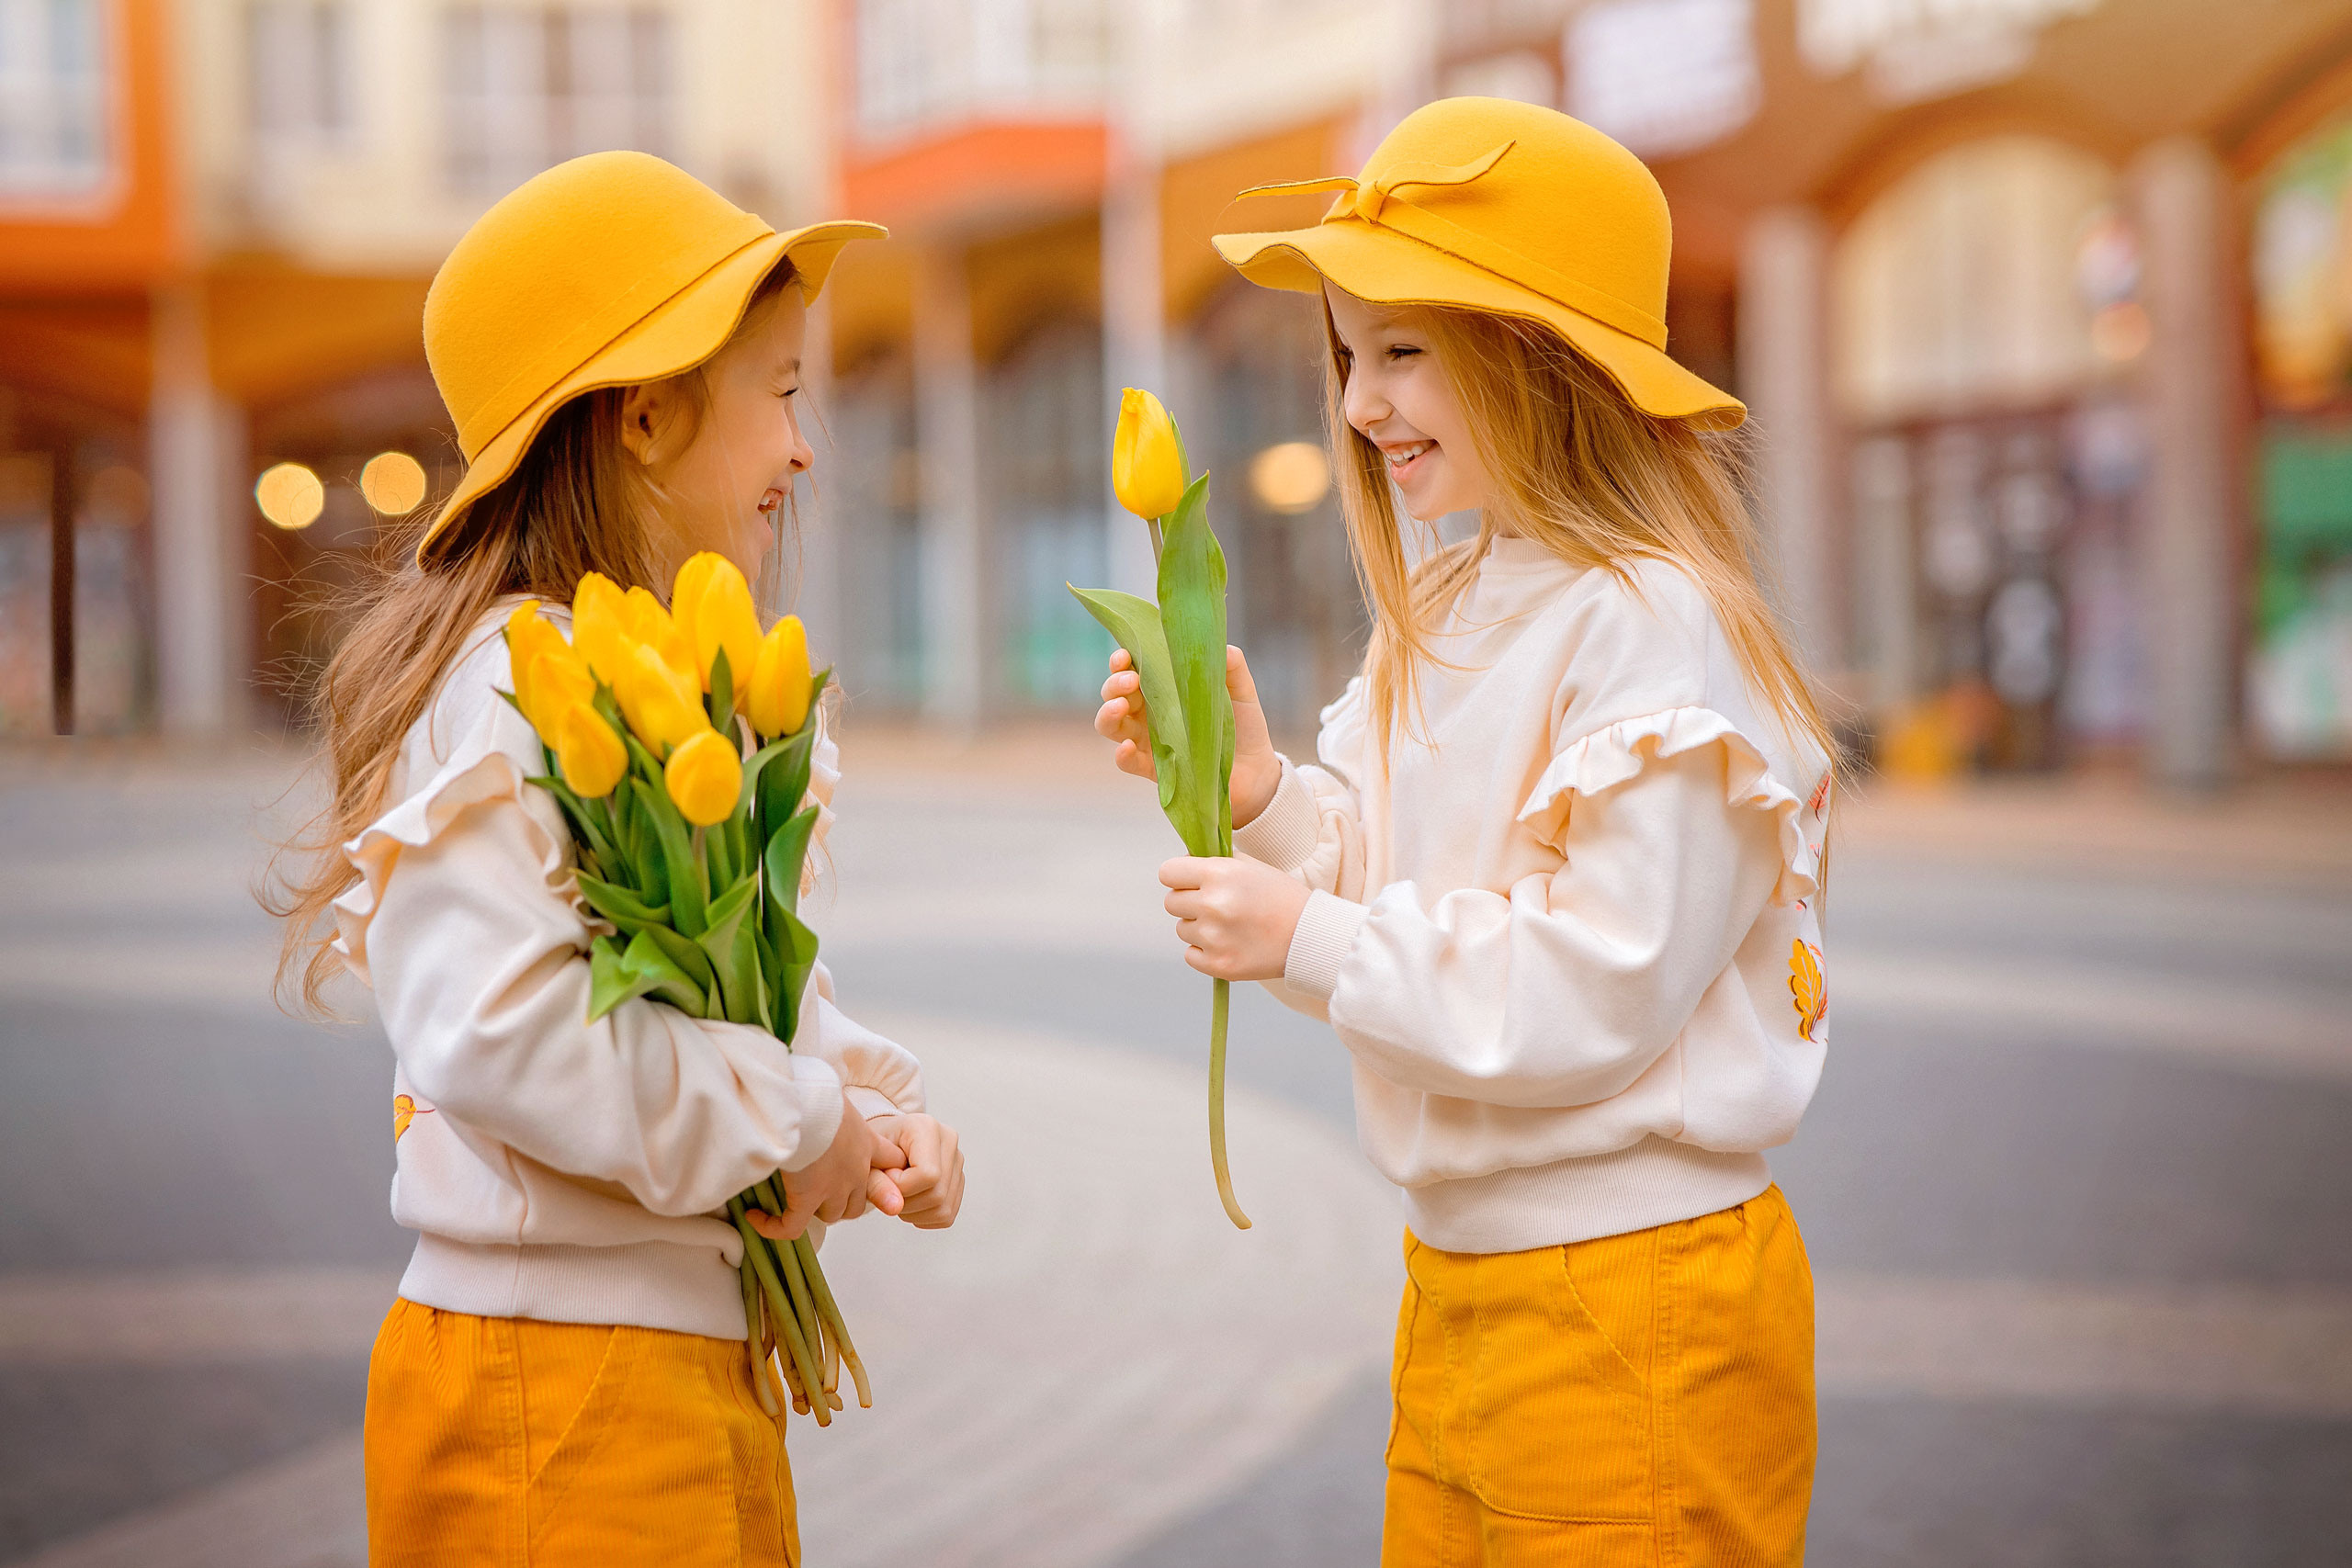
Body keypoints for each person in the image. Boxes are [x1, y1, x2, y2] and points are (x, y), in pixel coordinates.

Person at [1095, 99, 1834, 1566]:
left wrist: (1304, 937)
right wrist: (1264, 799)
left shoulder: (1650, 623)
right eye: (1349, 357)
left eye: (1404, 351)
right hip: (1462, 1275)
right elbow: (1412, 868)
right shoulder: (1445, 606)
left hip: (1636, 1291)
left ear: (1544, 358)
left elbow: (1596, 987)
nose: (1361, 405)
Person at [270, 152, 964, 1566]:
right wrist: (794, 1121)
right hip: (558, 1388)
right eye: (779, 391)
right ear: (646, 417)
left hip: (658, 1372)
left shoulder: (640, 670)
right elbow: (504, 1033)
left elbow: (717, 1000)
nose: (804, 445)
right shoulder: (506, 689)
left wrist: (867, 1107)